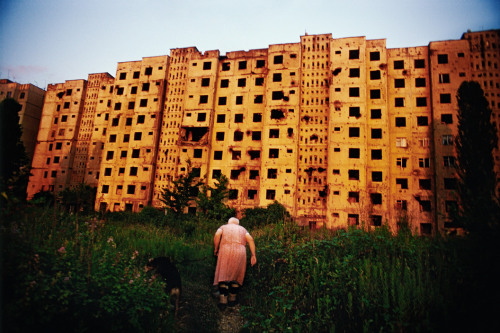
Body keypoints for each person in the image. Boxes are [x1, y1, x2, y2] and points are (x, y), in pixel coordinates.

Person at [213, 217, 256, 309]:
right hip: (240, 251)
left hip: (225, 250)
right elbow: (251, 239)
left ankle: (223, 301)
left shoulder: (224, 227)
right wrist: (253, 255)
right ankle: (232, 299)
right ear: (238, 223)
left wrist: (216, 249)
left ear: (229, 223)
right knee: (236, 275)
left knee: (223, 274)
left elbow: (217, 234)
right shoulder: (243, 229)